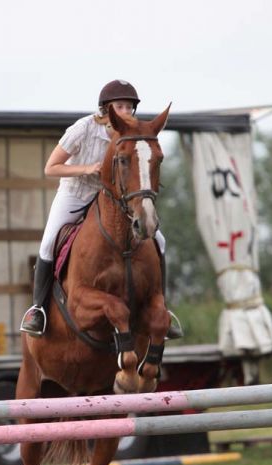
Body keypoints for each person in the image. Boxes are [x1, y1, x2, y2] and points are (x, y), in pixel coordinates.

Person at [20, 79, 182, 339]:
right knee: (49, 241)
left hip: (109, 197)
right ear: (105, 108)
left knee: (158, 240)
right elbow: (51, 167)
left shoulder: (130, 134)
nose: (126, 112)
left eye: (130, 107)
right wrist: (86, 169)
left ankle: (162, 307)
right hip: (75, 193)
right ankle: (38, 309)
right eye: (120, 106)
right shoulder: (82, 129)